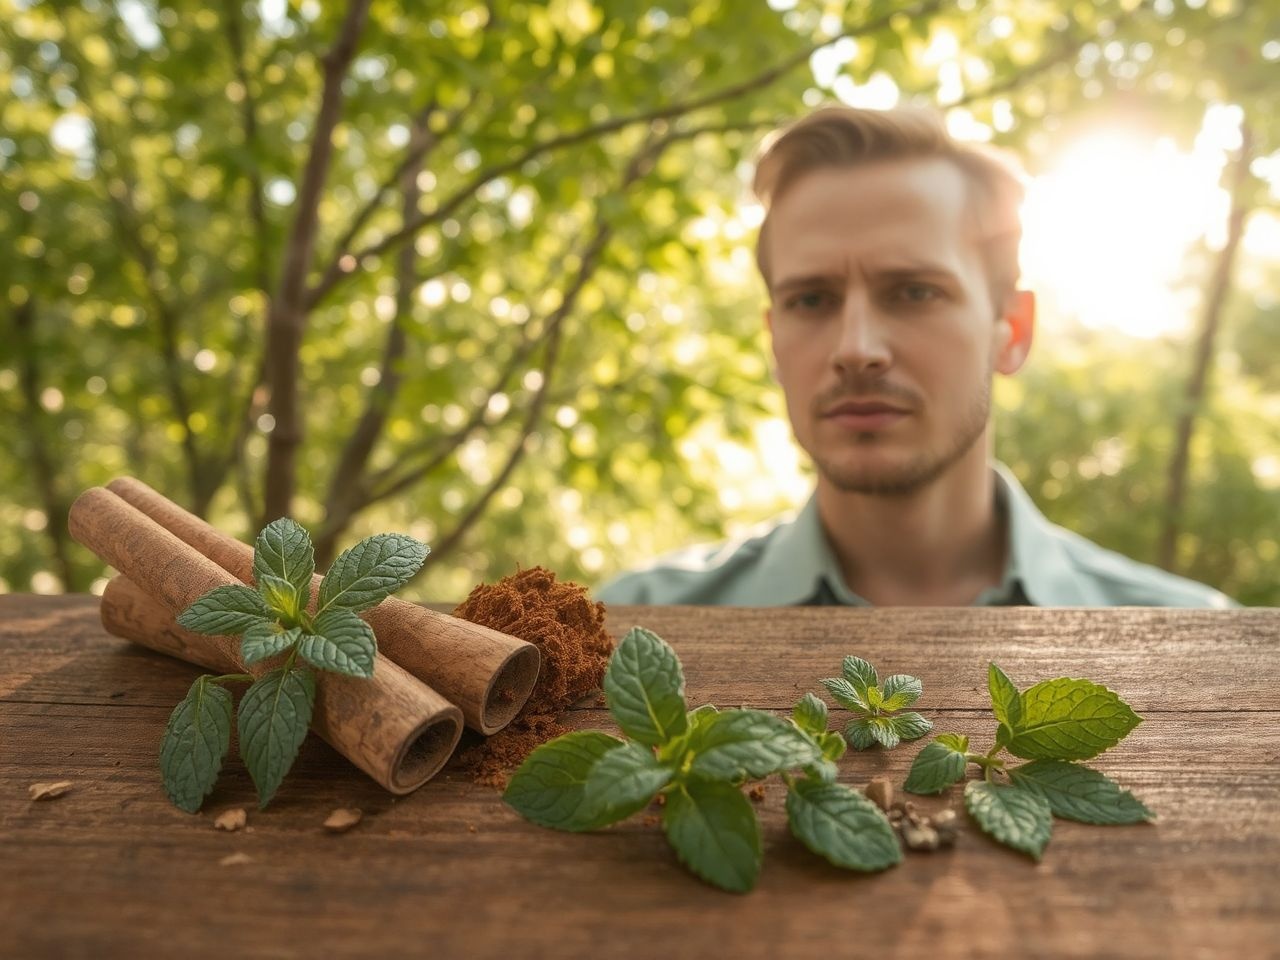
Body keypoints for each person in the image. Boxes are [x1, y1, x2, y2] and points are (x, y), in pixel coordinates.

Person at [598, 106, 1235, 608]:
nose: (856, 350)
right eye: (812, 299)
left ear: (1010, 329)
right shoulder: (623, 632)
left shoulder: (1214, 651)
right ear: (774, 341)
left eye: (913, 292)